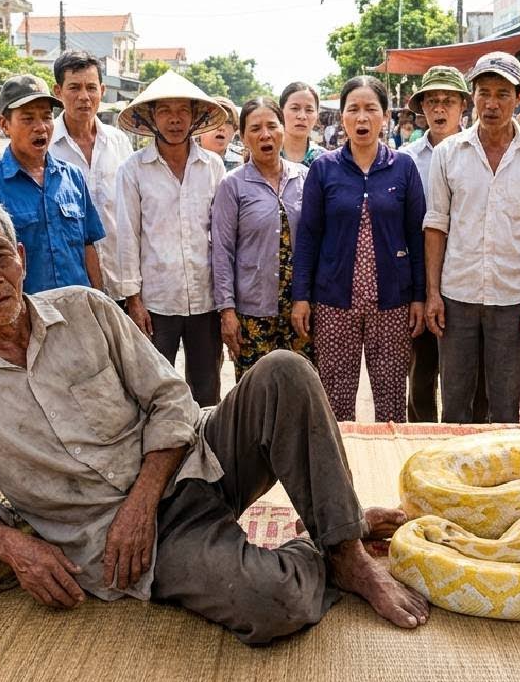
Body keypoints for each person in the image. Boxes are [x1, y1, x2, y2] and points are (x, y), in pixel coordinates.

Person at [0, 194, 429, 645]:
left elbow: (172, 400)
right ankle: (321, 541)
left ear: (21, 258)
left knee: (284, 372)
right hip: (130, 541)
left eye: (1, 256)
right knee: (276, 604)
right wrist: (13, 545)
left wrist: (142, 499)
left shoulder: (85, 310)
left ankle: (346, 549)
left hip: (193, 461)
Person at [422, 52, 520, 423]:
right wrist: (433, 292)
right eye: (483, 93)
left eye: (501, 94)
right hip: (456, 293)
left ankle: (499, 480)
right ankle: (452, 479)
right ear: (473, 96)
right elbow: (436, 225)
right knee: (455, 405)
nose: (491, 103)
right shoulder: (449, 152)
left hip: (511, 296)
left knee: (504, 406)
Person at [292, 76, 426, 422]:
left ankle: (388, 472)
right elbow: (308, 236)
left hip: (392, 303)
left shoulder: (403, 167)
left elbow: (416, 235)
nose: (362, 118)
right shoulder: (324, 169)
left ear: (386, 117)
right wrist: (301, 296)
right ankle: (340, 472)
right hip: (334, 301)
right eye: (353, 109)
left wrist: (419, 297)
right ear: (342, 117)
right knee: (334, 401)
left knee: (392, 400)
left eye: (371, 109)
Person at [115, 72, 228, 407]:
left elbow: (221, 237)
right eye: (164, 110)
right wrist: (133, 300)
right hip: (156, 302)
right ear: (151, 118)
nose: (175, 119)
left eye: (183, 110)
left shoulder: (213, 166)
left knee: (206, 390)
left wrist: (225, 301)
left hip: (205, 299)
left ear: (195, 117)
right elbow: (127, 236)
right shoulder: (133, 170)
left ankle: (207, 452)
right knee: (154, 390)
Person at [0, 74, 104, 295]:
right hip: (26, 315)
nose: (41, 127)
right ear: (5, 125)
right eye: (28, 118)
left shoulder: (72, 177)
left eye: (46, 117)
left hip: (79, 308)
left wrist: (101, 300)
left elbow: (88, 246)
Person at [211, 97, 313, 379]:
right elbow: (222, 251)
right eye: (255, 128)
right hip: (251, 312)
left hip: (300, 309)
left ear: (283, 129)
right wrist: (227, 312)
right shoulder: (232, 185)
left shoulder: (305, 178)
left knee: (302, 387)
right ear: (243, 136)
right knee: (255, 390)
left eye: (272, 126)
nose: (265, 135)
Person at [401, 65, 480, 423]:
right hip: (418, 277)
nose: (439, 109)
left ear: (463, 105)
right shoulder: (405, 159)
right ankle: (420, 438)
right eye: (432, 101)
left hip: (467, 277)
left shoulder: (481, 153)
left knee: (465, 374)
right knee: (420, 371)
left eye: (448, 100)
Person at [50, 50, 136, 303]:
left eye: (91, 88)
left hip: (123, 283)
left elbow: (133, 213)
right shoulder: (46, 146)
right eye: (74, 88)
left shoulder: (118, 142)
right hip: (71, 287)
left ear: (103, 90)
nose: (84, 97)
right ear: (58, 91)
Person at [279, 82, 324, 166]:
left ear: (317, 115)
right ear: (280, 112)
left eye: (309, 110)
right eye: (295, 108)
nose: (302, 116)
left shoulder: (324, 160)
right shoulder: (266, 156)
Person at [199, 96, 241, 170]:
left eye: (228, 122)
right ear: (199, 125)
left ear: (235, 129)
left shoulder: (243, 164)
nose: (221, 128)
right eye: (215, 121)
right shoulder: (183, 159)